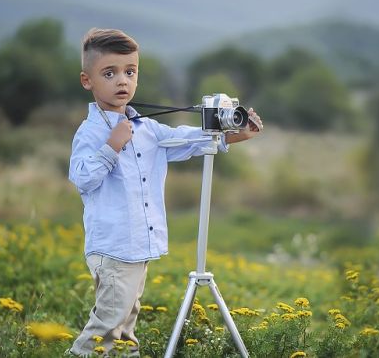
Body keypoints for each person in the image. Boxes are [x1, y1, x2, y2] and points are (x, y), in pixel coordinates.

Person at [68, 28, 263, 356]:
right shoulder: (91, 132)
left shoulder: (148, 128)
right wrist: (111, 147)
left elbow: (186, 139)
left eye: (130, 72)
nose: (122, 81)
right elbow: (82, 179)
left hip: (137, 246)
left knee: (125, 320)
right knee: (108, 322)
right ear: (87, 81)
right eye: (110, 73)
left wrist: (235, 135)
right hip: (114, 246)